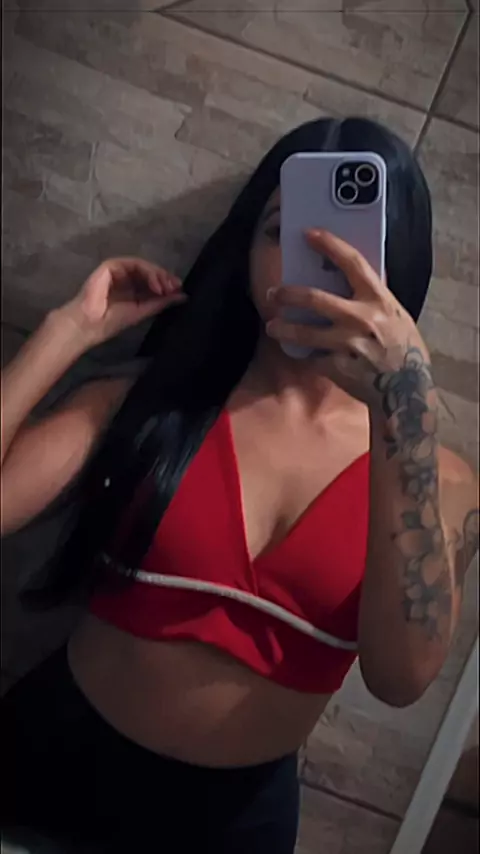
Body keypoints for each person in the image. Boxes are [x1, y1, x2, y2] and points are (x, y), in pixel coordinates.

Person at [2, 118, 478, 853]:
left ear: (398, 262)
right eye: (281, 231)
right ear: (245, 250)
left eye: (350, 239)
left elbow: (401, 677)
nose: (311, 262)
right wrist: (67, 332)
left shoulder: (435, 475)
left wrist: (404, 401)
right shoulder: (151, 402)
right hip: (46, 769)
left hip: (235, 829)